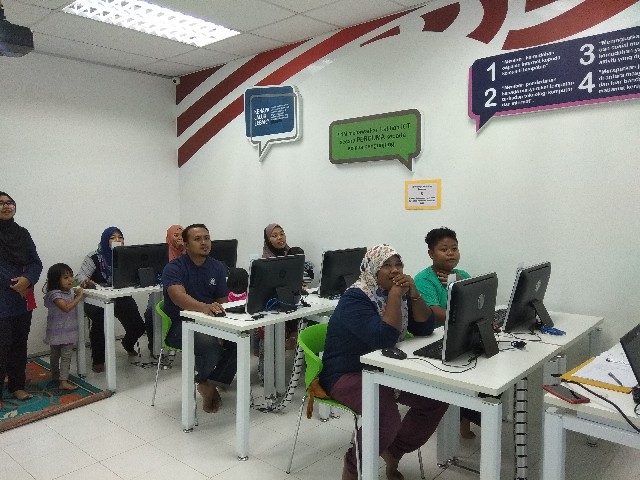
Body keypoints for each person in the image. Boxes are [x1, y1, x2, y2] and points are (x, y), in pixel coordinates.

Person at [319, 244, 448, 480]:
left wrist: (414, 294)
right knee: (385, 419)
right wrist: (395, 296)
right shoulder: (355, 298)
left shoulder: (394, 292)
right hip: (347, 372)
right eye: (386, 265)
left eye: (398, 264)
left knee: (436, 400)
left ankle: (394, 451)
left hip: (387, 368)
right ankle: (353, 468)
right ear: (372, 270)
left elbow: (425, 327)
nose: (395, 270)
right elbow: (383, 338)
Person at [162, 224, 236, 413]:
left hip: (210, 321)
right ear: (186, 245)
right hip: (180, 326)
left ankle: (209, 382)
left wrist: (225, 324)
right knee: (209, 343)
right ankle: (206, 382)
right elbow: (178, 296)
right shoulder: (173, 268)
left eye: (207, 238)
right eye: (197, 239)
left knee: (240, 339)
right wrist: (204, 307)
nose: (204, 242)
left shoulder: (217, 266)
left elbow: (222, 300)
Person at [414, 227, 478, 439]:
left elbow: (476, 303)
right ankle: (461, 418)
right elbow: (434, 312)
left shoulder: (462, 275)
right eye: (444, 249)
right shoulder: (424, 280)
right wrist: (465, 312)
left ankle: (465, 419)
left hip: (458, 335)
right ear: (431, 253)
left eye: (454, 248)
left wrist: (457, 282)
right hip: (430, 339)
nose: (451, 253)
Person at [76, 227, 146, 373]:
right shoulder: (94, 257)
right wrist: (87, 281)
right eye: (112, 238)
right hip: (96, 298)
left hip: (119, 296)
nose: (117, 240)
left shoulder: (126, 255)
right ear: (105, 240)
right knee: (100, 320)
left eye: (120, 237)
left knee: (138, 326)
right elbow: (79, 277)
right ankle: (98, 360)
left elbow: (135, 275)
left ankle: (127, 343)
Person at [0, 192, 43, 406]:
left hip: (21, 298)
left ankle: (17, 386)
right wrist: (15, 283)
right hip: (3, 297)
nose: (6, 206)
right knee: (1, 345)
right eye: (1, 203)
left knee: (19, 343)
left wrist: (28, 279)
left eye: (10, 203)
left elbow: (36, 262)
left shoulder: (22, 234)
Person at [144, 224, 185, 354]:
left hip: (183, 292)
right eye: (176, 235)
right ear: (169, 237)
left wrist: (185, 250)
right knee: (150, 313)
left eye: (182, 235)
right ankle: (153, 346)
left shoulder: (189, 254)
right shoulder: (161, 253)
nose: (179, 238)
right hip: (161, 289)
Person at [43, 263, 84, 390]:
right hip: (56, 332)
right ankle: (57, 375)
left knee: (66, 356)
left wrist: (85, 282)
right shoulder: (54, 294)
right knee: (55, 355)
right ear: (56, 280)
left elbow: (78, 282)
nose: (70, 279)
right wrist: (79, 296)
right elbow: (66, 308)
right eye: (66, 277)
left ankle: (63, 380)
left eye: (71, 276)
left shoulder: (70, 290)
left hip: (68, 332)